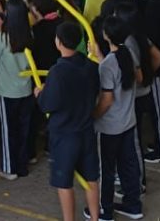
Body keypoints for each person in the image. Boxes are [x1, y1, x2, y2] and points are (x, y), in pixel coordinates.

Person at [36, 21, 100, 221]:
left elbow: (48, 104)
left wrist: (39, 93)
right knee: (91, 178)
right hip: (86, 129)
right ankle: (95, 217)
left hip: (64, 135)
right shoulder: (90, 65)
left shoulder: (58, 72)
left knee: (64, 182)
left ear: (58, 42)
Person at [95, 17, 144, 220]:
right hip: (128, 121)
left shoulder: (108, 65)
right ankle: (133, 205)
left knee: (105, 170)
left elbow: (106, 100)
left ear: (107, 36)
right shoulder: (129, 54)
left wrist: (92, 116)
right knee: (128, 164)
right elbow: (139, 79)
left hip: (109, 127)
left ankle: (105, 210)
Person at [0, 0, 34, 181]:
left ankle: (9, 167)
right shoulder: (29, 34)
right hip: (25, 89)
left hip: (7, 90)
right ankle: (23, 164)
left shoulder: (2, 38)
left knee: (9, 130)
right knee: (24, 127)